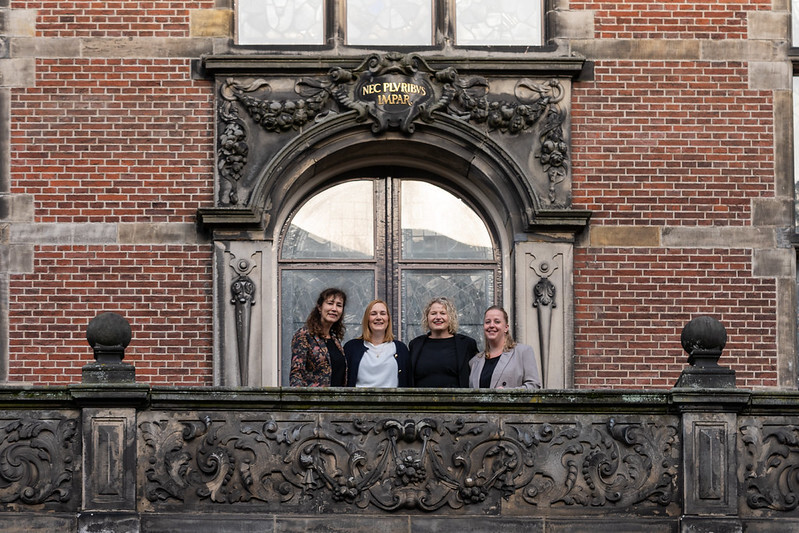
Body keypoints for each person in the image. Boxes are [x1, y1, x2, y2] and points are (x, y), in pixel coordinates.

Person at [409, 297, 478, 387]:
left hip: (456, 400)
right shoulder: (415, 345)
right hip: (421, 400)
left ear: (450, 317)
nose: (438, 317)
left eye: (443, 313)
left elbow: (477, 375)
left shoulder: (467, 345)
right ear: (427, 318)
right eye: (433, 313)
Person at [469, 305, 541, 390]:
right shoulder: (474, 361)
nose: (491, 325)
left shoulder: (523, 352)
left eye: (497, 322)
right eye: (487, 322)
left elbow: (534, 386)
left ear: (506, 328)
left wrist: (507, 393)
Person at [344, 300, 410, 387]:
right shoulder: (351, 348)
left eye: (383, 313)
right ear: (367, 319)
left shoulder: (401, 349)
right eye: (373, 314)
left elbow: (408, 382)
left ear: (388, 319)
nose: (378, 317)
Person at [289, 288, 347, 387]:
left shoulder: (335, 340)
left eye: (339, 305)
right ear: (320, 307)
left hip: (337, 400)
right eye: (330, 303)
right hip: (313, 400)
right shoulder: (304, 335)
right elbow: (296, 374)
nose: (334, 308)